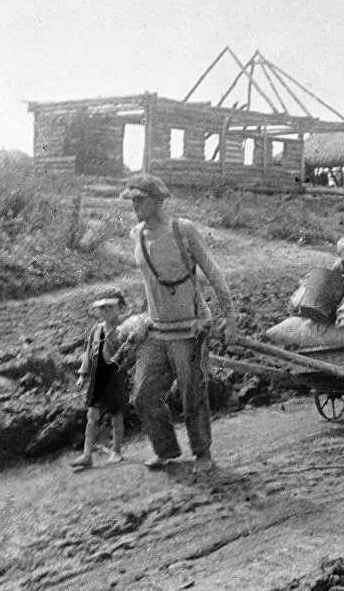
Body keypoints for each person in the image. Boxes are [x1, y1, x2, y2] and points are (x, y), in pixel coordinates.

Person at [122, 173, 237, 474]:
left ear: (159, 201)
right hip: (157, 329)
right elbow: (148, 282)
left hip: (190, 329)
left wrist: (231, 318)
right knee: (143, 396)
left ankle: (202, 453)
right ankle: (166, 450)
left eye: (140, 200)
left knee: (193, 395)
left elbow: (214, 273)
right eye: (132, 200)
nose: (135, 206)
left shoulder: (183, 230)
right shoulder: (136, 235)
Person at [70, 286, 131, 471]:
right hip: (97, 377)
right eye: (101, 308)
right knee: (92, 414)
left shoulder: (123, 330)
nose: (106, 312)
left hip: (115, 376)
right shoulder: (96, 329)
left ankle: (117, 450)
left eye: (110, 307)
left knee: (116, 414)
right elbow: (89, 352)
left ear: (120, 308)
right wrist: (83, 375)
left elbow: (129, 355)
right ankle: (87, 455)